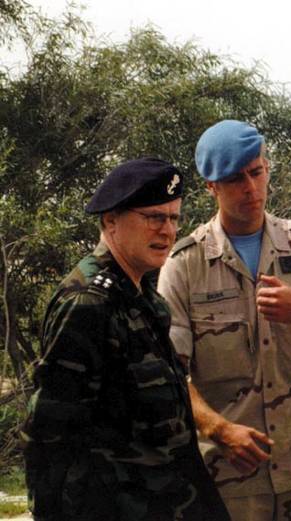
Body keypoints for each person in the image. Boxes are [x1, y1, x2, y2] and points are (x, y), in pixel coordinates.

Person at [157, 120, 291, 521]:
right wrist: (220, 430)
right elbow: (171, 378)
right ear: (211, 188)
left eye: (256, 173)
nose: (250, 189)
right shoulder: (185, 264)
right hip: (232, 476)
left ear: (267, 169)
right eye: (235, 180)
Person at [22, 158, 230, 521]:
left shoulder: (145, 297)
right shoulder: (89, 303)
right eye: (154, 217)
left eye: (173, 218)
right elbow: (50, 433)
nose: (167, 230)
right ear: (110, 221)